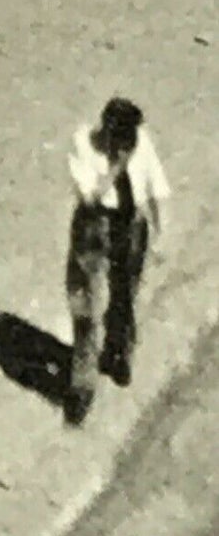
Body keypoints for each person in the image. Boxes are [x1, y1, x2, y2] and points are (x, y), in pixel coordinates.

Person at [64, 98, 170, 425]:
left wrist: (161, 232)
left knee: (126, 295)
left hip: (130, 225)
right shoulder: (83, 144)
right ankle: (82, 387)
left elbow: (157, 187)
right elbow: (90, 196)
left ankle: (119, 352)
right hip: (95, 225)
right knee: (87, 307)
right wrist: (115, 168)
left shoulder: (141, 143)